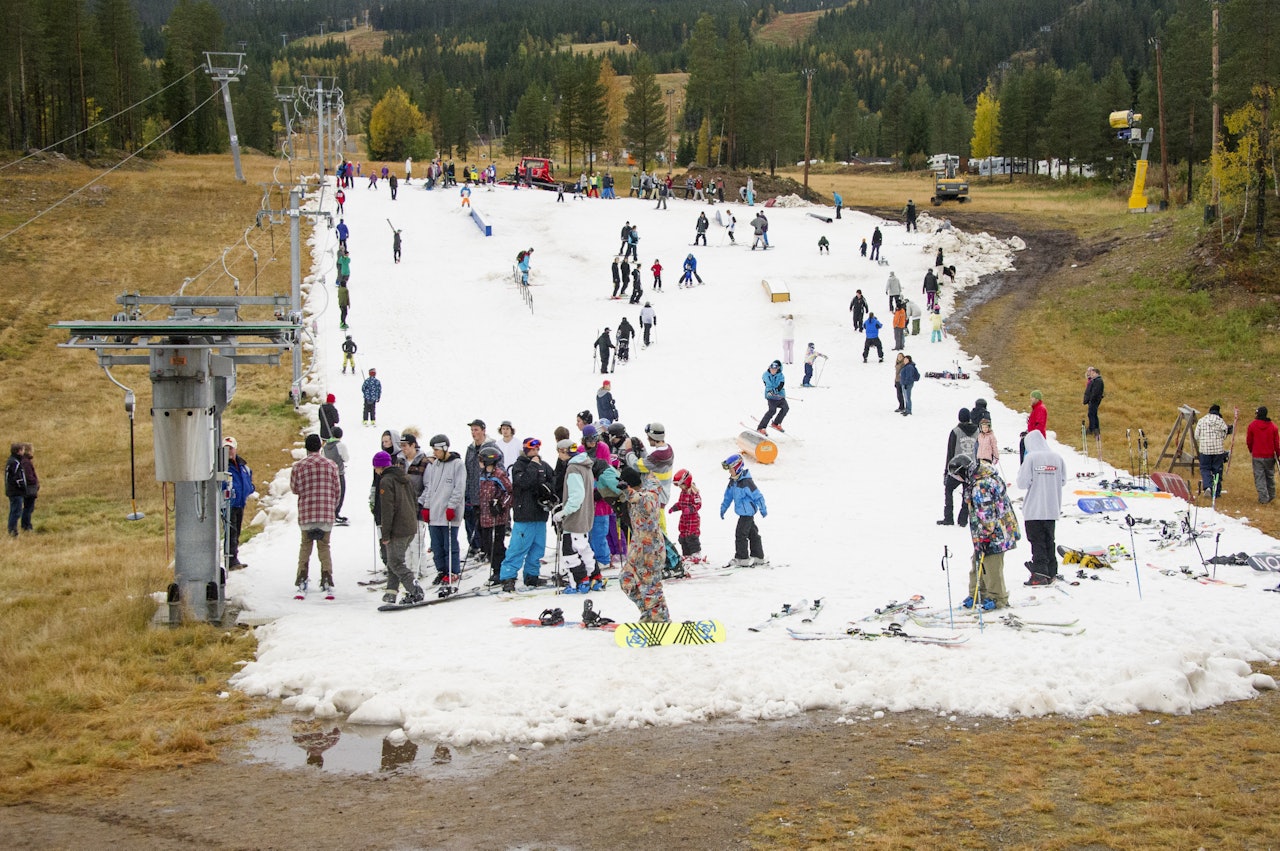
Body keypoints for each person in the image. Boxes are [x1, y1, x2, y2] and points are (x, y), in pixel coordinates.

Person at [951, 453, 1020, 611]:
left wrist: (984, 537)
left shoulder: (981, 486)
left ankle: (997, 598)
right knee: (977, 562)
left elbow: (987, 516)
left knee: (991, 566)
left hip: (995, 533)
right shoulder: (978, 479)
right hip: (986, 533)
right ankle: (978, 593)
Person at [498, 437, 557, 591]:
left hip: (540, 514)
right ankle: (508, 576)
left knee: (537, 548)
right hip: (524, 515)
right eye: (532, 449)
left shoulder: (544, 465)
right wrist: (533, 466)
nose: (535, 452)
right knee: (518, 548)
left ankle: (532, 575)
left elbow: (553, 481)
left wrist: (547, 490)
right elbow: (523, 482)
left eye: (537, 449)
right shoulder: (519, 466)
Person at [616, 466, 671, 623]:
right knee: (626, 579)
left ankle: (661, 619)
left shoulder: (649, 497)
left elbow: (642, 500)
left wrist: (628, 491)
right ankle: (647, 612)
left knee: (651, 587)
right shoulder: (634, 498)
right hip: (637, 549)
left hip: (651, 551)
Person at [373, 451, 426, 605]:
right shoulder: (405, 477)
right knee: (393, 560)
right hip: (409, 525)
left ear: (379, 466)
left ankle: (415, 590)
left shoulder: (386, 481)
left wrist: (385, 534)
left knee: (396, 563)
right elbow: (414, 501)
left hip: (397, 528)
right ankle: (391, 592)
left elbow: (387, 509)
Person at [291, 434, 340, 596]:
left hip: (307, 513)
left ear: (306, 447)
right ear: (320, 446)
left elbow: (295, 489)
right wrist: (332, 506)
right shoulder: (331, 465)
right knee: (324, 546)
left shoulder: (298, 466)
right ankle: (327, 577)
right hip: (325, 513)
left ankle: (302, 577)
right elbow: (337, 490)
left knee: (305, 545)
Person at [1017, 430, 1066, 586]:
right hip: (1052, 506)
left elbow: (1022, 483)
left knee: (1036, 540)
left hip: (1034, 508)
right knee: (1049, 540)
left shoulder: (1031, 458)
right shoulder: (1057, 458)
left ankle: (1039, 572)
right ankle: (1051, 571)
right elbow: (1063, 480)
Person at [418, 434, 465, 592]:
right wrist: (427, 506)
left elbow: (459, 488)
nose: (435, 453)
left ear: (445, 448)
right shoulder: (435, 465)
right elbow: (430, 488)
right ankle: (441, 570)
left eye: (437, 450)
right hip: (435, 513)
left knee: (449, 544)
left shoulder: (457, 464)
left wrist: (452, 506)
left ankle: (453, 571)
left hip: (449, 513)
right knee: (436, 546)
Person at [552, 440, 597, 593]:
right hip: (585, 517)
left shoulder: (573, 468)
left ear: (563, 451)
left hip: (574, 520)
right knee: (585, 551)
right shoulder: (585, 465)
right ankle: (594, 577)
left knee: (570, 553)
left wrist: (563, 512)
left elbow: (576, 496)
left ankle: (580, 581)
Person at [719, 454, 767, 567]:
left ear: (737, 467)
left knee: (740, 534)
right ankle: (758, 556)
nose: (729, 472)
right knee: (753, 534)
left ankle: (742, 558)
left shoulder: (746, 482)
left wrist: (763, 508)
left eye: (731, 469)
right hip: (743, 513)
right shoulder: (733, 482)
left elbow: (758, 496)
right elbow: (728, 497)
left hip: (747, 514)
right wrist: (723, 508)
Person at [475, 446, 513, 586]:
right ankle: (496, 568)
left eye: (481, 460)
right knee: (487, 545)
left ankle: (500, 571)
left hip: (497, 518)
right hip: (485, 517)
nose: (479, 462)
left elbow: (510, 492)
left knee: (497, 545)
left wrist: (501, 505)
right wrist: (477, 506)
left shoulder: (499, 475)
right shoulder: (483, 475)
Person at [463, 420, 498, 559]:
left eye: (476, 430)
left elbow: (498, 468)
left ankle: (488, 550)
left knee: (487, 525)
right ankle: (477, 547)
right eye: (472, 430)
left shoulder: (492, 447)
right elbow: (467, 470)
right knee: (474, 522)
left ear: (483, 430)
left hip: (487, 492)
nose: (473, 433)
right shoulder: (470, 448)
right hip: (472, 492)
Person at [939, 408, 979, 526]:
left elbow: (950, 452)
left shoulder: (955, 431)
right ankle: (963, 519)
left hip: (957, 468)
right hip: (971, 467)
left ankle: (948, 517)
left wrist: (947, 471)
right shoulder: (977, 431)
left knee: (949, 489)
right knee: (967, 493)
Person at [1194, 404, 1233, 498]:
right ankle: (1217, 491)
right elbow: (1224, 435)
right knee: (1217, 470)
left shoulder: (1202, 420)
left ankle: (1208, 486)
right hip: (1218, 451)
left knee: (1205, 469)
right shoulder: (1220, 421)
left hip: (1204, 450)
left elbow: (1196, 436)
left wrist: (1203, 440)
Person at [1246, 406, 1279, 504]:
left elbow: (1249, 441)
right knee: (1270, 476)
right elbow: (1277, 443)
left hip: (1257, 455)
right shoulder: (1273, 426)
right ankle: (1271, 495)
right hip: (1270, 455)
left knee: (1259, 477)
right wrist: (1278, 455)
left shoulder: (1252, 425)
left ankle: (1263, 498)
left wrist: (1251, 450)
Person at [669, 469, 703, 562]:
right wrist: (674, 508)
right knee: (683, 536)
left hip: (693, 519)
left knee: (691, 536)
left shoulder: (694, 493)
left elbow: (698, 504)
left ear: (686, 482)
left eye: (681, 485)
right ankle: (686, 554)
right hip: (684, 519)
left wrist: (690, 509)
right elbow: (681, 503)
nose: (680, 487)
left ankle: (696, 553)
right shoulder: (683, 492)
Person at [322, 427, 351, 524]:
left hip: (328, 474)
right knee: (340, 493)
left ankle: (329, 513)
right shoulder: (340, 445)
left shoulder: (325, 446)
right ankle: (336, 513)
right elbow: (346, 458)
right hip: (339, 473)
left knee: (330, 494)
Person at [756, 360, 789, 434]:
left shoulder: (781, 376)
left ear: (778, 369)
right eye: (771, 369)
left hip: (780, 395)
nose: (773, 371)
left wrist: (775, 391)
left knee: (785, 408)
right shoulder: (766, 375)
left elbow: (781, 385)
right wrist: (770, 391)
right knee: (772, 410)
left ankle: (776, 423)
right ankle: (761, 428)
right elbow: (767, 384)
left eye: (775, 369)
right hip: (771, 397)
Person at [6, 443, 27, 538]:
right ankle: (12, 530)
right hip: (15, 491)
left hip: (12, 491)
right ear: (18, 451)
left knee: (14, 510)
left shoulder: (13, 461)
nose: (24, 452)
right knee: (16, 511)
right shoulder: (14, 462)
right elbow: (16, 477)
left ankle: (12, 529)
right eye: (22, 450)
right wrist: (22, 486)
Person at [17, 443, 38, 534]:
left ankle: (26, 525)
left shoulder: (24, 460)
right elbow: (28, 476)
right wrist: (35, 482)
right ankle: (26, 526)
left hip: (28, 488)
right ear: (29, 451)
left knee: (28, 507)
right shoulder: (26, 462)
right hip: (29, 488)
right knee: (28, 508)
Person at [1083, 366, 1104, 446]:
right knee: (1093, 414)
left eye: (1092, 373)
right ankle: (1094, 428)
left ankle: (1093, 428)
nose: (1091, 374)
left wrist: (1091, 399)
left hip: (1094, 401)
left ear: (1096, 373)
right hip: (1093, 400)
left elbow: (1095, 392)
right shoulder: (1095, 380)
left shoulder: (1098, 381)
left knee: (1092, 414)